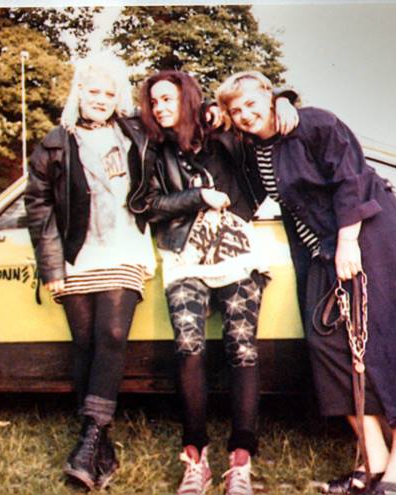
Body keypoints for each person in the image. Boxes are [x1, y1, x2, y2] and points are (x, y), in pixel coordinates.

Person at [215, 71, 396, 495]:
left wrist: (349, 240)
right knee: (328, 346)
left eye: (250, 103)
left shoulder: (313, 123)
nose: (244, 114)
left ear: (268, 94)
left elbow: (351, 177)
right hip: (321, 251)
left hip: (369, 234)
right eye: (234, 109)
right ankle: (375, 463)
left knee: (393, 345)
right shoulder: (251, 147)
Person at [131, 70, 298, 495]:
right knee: (188, 347)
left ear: (187, 99)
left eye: (168, 99)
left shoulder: (222, 131)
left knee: (242, 348)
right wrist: (197, 198)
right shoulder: (152, 146)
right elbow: (148, 204)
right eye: (154, 102)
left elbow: (255, 114)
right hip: (183, 255)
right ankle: (196, 459)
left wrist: (285, 99)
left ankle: (240, 461)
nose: (160, 108)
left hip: (236, 254)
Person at [24, 51, 156, 491]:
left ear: (118, 96)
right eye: (92, 90)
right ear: (78, 92)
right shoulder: (55, 142)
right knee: (85, 344)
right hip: (78, 254)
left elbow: (188, 120)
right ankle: (100, 445)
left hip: (124, 248)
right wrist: (51, 265)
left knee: (112, 337)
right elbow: (38, 205)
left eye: (108, 92)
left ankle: (89, 437)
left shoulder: (136, 131)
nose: (100, 99)